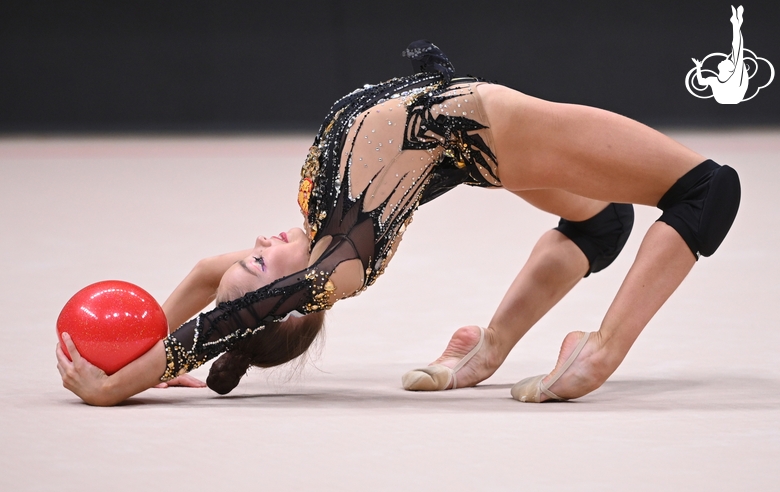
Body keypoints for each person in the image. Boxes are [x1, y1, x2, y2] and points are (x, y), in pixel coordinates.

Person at [56, 40, 740, 406]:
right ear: (291, 303)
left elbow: (212, 279)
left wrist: (157, 347)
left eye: (252, 253)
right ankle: (601, 350)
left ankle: (487, 351)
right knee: (708, 190)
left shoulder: (316, 236)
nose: (259, 244)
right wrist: (119, 383)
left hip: (476, 153)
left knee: (601, 226)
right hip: (496, 130)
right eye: (260, 265)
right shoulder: (338, 268)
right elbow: (225, 322)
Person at [692, 5, 748, 104]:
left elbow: (738, 49)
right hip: (731, 97)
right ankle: (736, 24)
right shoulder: (716, 79)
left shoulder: (725, 79)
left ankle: (736, 24)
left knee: (737, 51)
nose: (724, 59)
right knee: (737, 52)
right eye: (728, 61)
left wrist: (698, 67)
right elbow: (701, 82)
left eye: (727, 61)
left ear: (729, 69)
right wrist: (698, 67)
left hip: (732, 96)